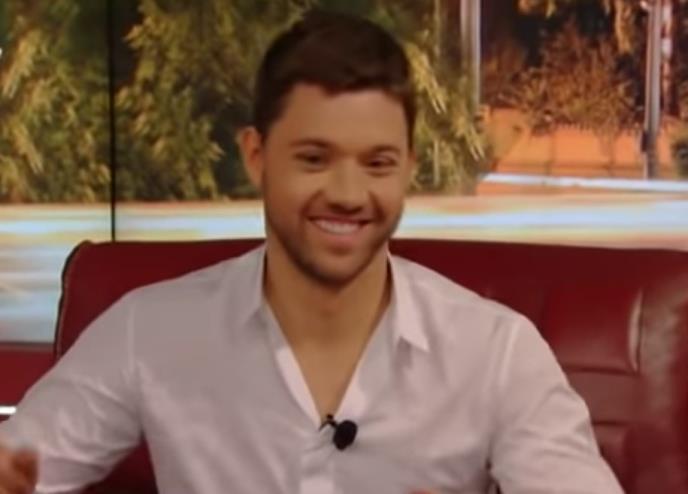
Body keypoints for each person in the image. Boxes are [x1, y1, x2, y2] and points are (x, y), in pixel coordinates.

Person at [0, 9, 623, 494]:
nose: (348, 194)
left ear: (409, 166)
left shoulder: (498, 352)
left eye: (377, 163)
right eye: (314, 159)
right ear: (256, 156)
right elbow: (21, 467)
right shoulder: (151, 331)